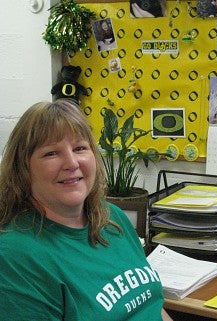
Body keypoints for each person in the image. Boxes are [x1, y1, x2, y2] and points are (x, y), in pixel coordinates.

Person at [0, 99, 173, 321]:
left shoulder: (111, 216)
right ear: (23, 168)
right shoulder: (16, 256)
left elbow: (152, 304)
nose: (72, 163)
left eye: (80, 148)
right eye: (51, 153)